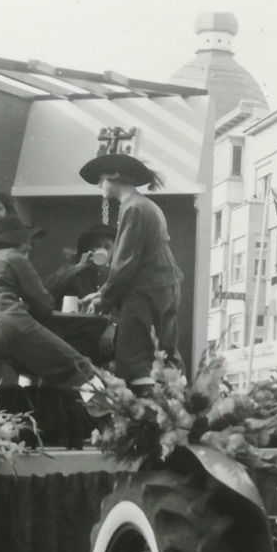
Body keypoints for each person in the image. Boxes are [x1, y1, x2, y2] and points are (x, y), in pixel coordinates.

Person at [77, 154, 182, 393]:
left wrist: (103, 299)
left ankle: (143, 421)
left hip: (145, 292)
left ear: (115, 177)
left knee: (134, 362)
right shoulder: (146, 206)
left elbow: (124, 261)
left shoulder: (133, 208)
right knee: (161, 358)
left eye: (101, 179)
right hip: (164, 289)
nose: (98, 185)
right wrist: (102, 293)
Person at [0, 215, 97, 391]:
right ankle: (107, 412)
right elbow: (45, 305)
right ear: (19, 240)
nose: (30, 245)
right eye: (28, 240)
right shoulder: (12, 257)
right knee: (79, 365)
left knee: (38, 366)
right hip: (5, 328)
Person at [46, 224, 118, 307]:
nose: (102, 249)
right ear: (90, 248)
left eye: (107, 247)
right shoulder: (73, 271)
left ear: (113, 251)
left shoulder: (113, 276)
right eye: (97, 245)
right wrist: (79, 266)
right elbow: (49, 291)